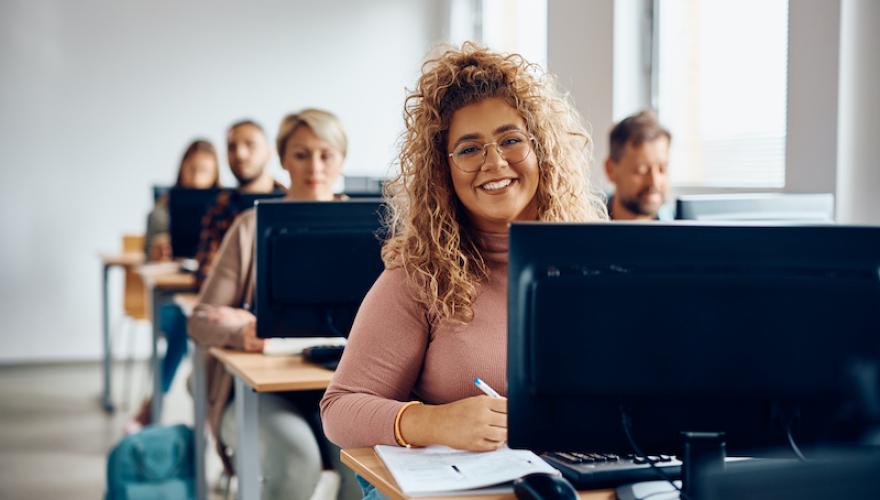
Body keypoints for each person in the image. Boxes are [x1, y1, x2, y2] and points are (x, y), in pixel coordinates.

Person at [319, 43, 606, 478]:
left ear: (541, 149)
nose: (494, 162)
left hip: (582, 477)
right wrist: (434, 421)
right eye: (470, 149)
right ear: (443, 170)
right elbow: (339, 411)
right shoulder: (418, 277)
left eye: (511, 140)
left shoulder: (598, 263)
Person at [189, 109, 358, 500]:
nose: (314, 166)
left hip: (343, 389)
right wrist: (240, 329)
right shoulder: (249, 228)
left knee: (363, 468)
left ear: (342, 159)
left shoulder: (376, 226)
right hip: (259, 395)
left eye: (326, 154)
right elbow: (199, 320)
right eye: (301, 154)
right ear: (283, 159)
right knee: (295, 460)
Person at [127, 121, 282, 431]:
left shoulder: (286, 202)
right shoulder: (215, 207)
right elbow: (209, 274)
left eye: (250, 144)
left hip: (262, 316)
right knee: (184, 329)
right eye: (233, 146)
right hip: (202, 303)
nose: (240, 153)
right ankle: (157, 403)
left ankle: (157, 403)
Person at [143, 139, 221, 262]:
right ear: (182, 169)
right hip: (172, 274)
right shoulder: (160, 210)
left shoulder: (227, 208)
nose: (196, 179)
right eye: (192, 169)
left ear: (214, 174)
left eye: (203, 170)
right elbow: (148, 257)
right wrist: (157, 251)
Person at [603, 110, 672, 220]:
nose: (654, 181)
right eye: (641, 170)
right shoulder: (583, 226)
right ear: (610, 169)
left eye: (662, 169)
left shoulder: (681, 230)